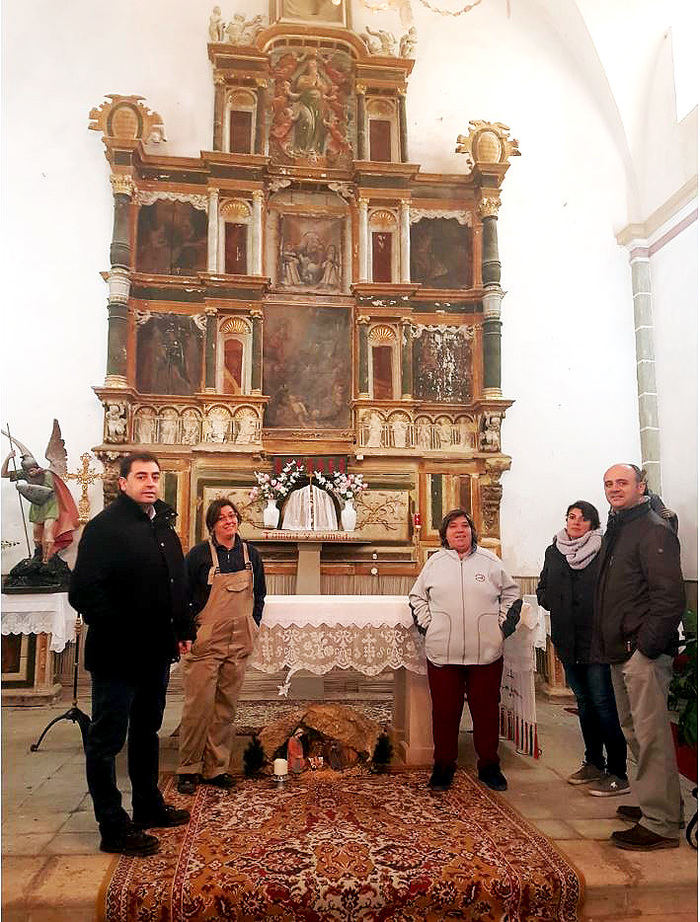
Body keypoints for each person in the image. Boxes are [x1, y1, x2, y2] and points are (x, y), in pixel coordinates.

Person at [69, 452, 194, 857]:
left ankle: (147, 805)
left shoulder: (163, 525)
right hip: (117, 654)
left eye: (155, 476)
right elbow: (83, 592)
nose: (150, 482)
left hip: (154, 652)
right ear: (122, 483)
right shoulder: (105, 528)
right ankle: (112, 825)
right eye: (141, 476)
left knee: (146, 732)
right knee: (106, 740)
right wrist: (127, 626)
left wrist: (182, 629)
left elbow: (176, 582)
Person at [591, 463, 685, 850]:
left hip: (640, 652)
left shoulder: (652, 529)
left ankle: (661, 824)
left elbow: (669, 598)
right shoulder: (619, 528)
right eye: (609, 484)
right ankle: (660, 803)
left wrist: (645, 649)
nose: (614, 489)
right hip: (621, 648)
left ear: (640, 486)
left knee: (651, 737)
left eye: (622, 482)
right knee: (635, 732)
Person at [409, 509, 521, 793]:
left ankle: (489, 765)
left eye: (465, 526)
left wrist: (499, 629)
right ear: (444, 534)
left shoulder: (490, 562)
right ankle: (443, 765)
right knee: (445, 712)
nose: (460, 531)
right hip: (443, 652)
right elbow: (417, 597)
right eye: (453, 527)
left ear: (472, 531)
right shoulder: (434, 564)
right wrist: (429, 626)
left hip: (485, 652)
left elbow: (512, 594)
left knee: (486, 711)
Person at [537, 501, 628, 795]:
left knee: (603, 703)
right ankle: (593, 762)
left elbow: (615, 589)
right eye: (571, 517)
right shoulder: (554, 551)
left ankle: (618, 770)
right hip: (568, 639)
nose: (575, 523)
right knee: (584, 703)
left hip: (597, 639)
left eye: (582, 518)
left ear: (592, 523)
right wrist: (550, 601)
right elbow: (543, 586)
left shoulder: (603, 551)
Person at [177, 499, 266, 794]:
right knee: (198, 707)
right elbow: (183, 596)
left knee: (225, 708)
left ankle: (216, 768)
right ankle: (188, 768)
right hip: (206, 639)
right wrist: (189, 632)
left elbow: (260, 595)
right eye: (223, 518)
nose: (229, 521)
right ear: (212, 524)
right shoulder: (199, 555)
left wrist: (252, 623)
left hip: (238, 639)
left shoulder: (250, 554)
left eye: (233, 516)